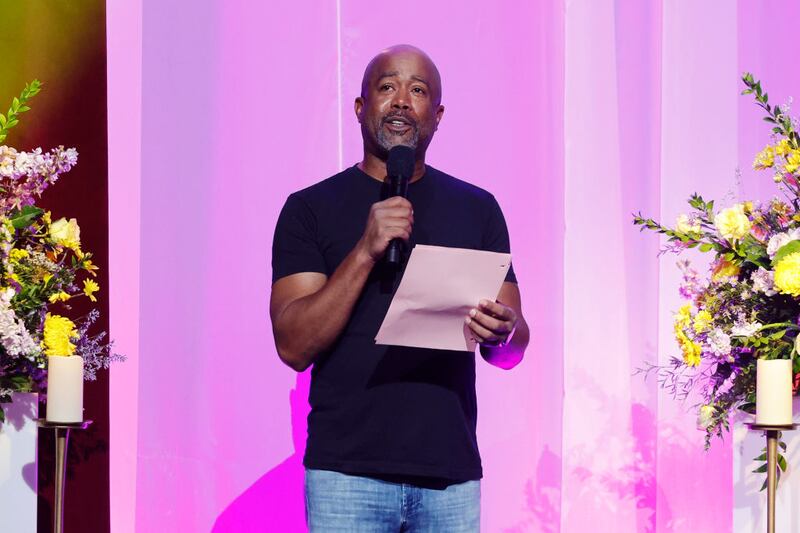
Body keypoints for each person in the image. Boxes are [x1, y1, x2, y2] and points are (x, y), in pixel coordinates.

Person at [270, 44, 529, 532]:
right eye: (387, 87)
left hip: (448, 478)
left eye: (418, 90)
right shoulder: (310, 208)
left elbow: (511, 352)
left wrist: (503, 332)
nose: (403, 101)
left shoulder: (477, 208)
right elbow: (293, 344)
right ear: (360, 107)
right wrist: (366, 249)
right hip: (345, 477)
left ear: (438, 114)